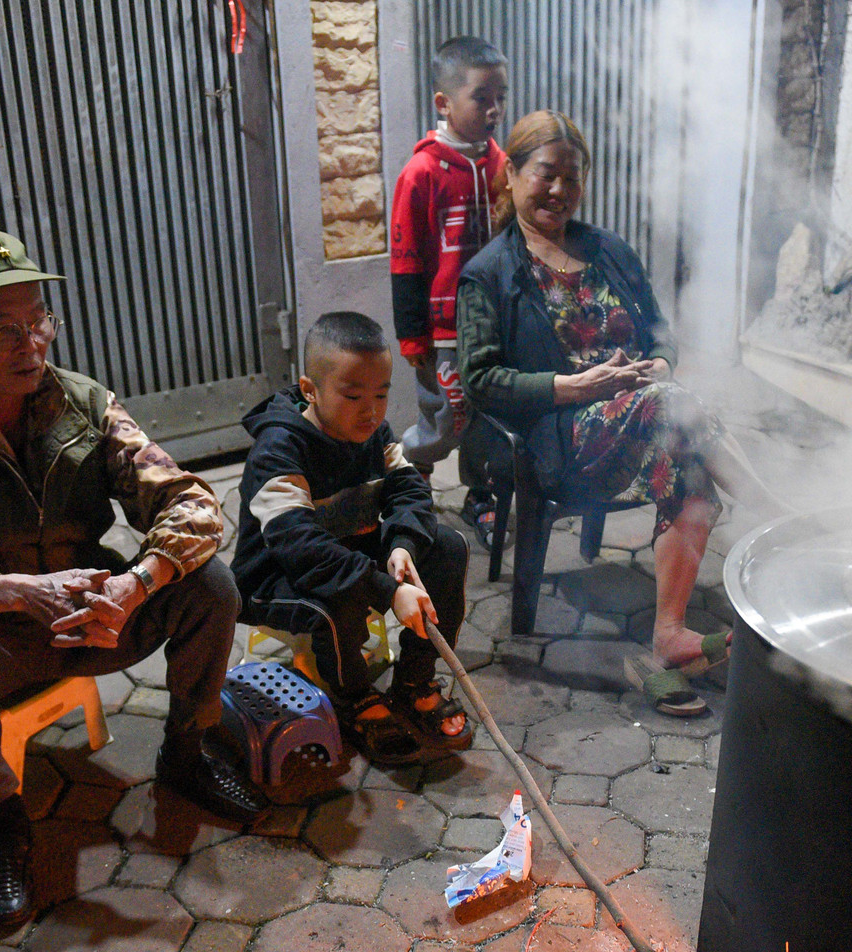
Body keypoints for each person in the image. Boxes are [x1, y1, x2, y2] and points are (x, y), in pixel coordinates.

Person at [0, 227, 266, 926]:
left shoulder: (82, 403)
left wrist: (137, 584)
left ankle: (187, 751)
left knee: (209, 584)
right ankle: (2, 818)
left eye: (39, 320)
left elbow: (190, 502)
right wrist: (2, 590)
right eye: (3, 329)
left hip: (95, 618)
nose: (32, 345)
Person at [456, 110, 766, 717]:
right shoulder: (491, 274)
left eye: (572, 178)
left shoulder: (609, 251)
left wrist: (662, 365)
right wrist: (574, 386)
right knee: (675, 415)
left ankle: (669, 639)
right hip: (559, 435)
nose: (559, 191)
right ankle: (776, 516)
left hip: (644, 417)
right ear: (511, 171)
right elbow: (481, 380)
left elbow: (659, 333)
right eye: (546, 174)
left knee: (681, 439)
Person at [235, 311, 474, 766]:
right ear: (310, 390)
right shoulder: (279, 448)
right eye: (353, 396)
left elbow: (410, 489)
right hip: (275, 577)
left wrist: (402, 544)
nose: (372, 410)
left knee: (447, 547)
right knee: (336, 598)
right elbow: (304, 551)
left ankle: (414, 680)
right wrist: (387, 590)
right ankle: (354, 698)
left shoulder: (373, 432)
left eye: (382, 394)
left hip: (347, 551)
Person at [390, 35, 509, 535]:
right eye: (482, 97)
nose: (495, 109)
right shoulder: (421, 173)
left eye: (501, 96)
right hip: (441, 332)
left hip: (494, 323)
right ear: (444, 103)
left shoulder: (501, 164)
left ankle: (478, 495)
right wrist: (413, 336)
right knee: (445, 416)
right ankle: (408, 482)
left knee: (486, 418)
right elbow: (405, 259)